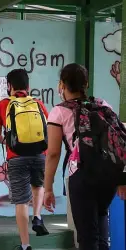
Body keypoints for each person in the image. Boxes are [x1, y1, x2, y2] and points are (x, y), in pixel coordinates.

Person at [44, 63, 126, 250]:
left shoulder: (58, 112)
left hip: (82, 176)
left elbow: (53, 153)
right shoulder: (103, 105)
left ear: (62, 85)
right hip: (108, 176)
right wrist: (122, 179)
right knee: (101, 226)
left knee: (87, 237)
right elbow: (119, 140)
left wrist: (47, 188)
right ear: (86, 84)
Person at [0, 69, 49, 250]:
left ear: (9, 86)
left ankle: (25, 245)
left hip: (17, 158)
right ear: (28, 86)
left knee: (21, 201)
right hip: (40, 155)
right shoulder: (38, 104)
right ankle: (38, 216)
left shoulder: (3, 105)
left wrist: (10, 143)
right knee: (38, 186)